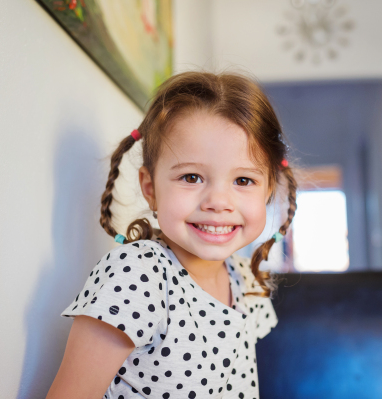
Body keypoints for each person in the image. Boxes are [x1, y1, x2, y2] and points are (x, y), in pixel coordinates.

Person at [46, 71, 298, 399]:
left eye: (243, 181)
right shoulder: (139, 274)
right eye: (191, 177)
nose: (218, 203)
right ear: (150, 189)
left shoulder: (242, 276)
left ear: (267, 191)